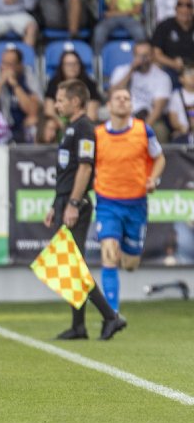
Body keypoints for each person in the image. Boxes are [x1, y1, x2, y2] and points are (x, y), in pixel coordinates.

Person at [44, 80, 125, 339]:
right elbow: (67, 172)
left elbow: (85, 167)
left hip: (74, 203)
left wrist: (73, 203)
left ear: (75, 101)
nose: (56, 105)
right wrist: (55, 203)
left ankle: (111, 317)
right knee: (68, 265)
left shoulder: (84, 128)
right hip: (64, 200)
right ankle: (78, 326)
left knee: (72, 264)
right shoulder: (71, 128)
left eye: (60, 100)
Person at [94, 88, 166, 316]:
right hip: (107, 202)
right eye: (118, 98)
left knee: (130, 264)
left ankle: (129, 255)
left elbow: (159, 158)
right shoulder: (97, 135)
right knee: (108, 255)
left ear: (131, 105)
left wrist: (153, 179)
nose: (123, 101)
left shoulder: (143, 130)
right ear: (109, 105)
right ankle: (112, 314)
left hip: (136, 204)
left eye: (127, 98)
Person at [0, 45, 41, 143]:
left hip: (21, 123)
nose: (4, 68)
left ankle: (32, 153)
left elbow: (33, 111)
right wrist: (0, 83)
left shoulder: (29, 78)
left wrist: (15, 85)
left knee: (34, 121)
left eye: (9, 64)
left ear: (19, 66)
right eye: (3, 63)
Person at [109, 43, 173, 140]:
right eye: (138, 55)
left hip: (148, 118)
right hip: (123, 115)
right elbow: (113, 94)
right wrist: (131, 70)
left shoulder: (162, 77)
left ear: (152, 56)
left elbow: (157, 110)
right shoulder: (121, 71)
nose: (142, 59)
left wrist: (142, 130)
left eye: (145, 55)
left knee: (161, 130)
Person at [43, 49, 101, 125]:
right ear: (62, 66)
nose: (72, 67)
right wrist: (61, 123)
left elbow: (92, 113)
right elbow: (49, 110)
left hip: (83, 120)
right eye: (68, 64)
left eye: (75, 63)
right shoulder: (54, 83)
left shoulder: (89, 84)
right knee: (49, 124)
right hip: (59, 120)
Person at [153, 0, 194, 78]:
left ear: (193, 9)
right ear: (175, 8)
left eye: (188, 5)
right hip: (170, 68)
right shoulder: (165, 26)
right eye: (180, 5)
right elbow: (156, 53)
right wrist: (173, 64)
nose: (184, 9)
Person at [167, 62, 194, 141]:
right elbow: (173, 119)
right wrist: (183, 128)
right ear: (181, 79)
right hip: (184, 132)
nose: (192, 76)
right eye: (189, 74)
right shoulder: (175, 96)